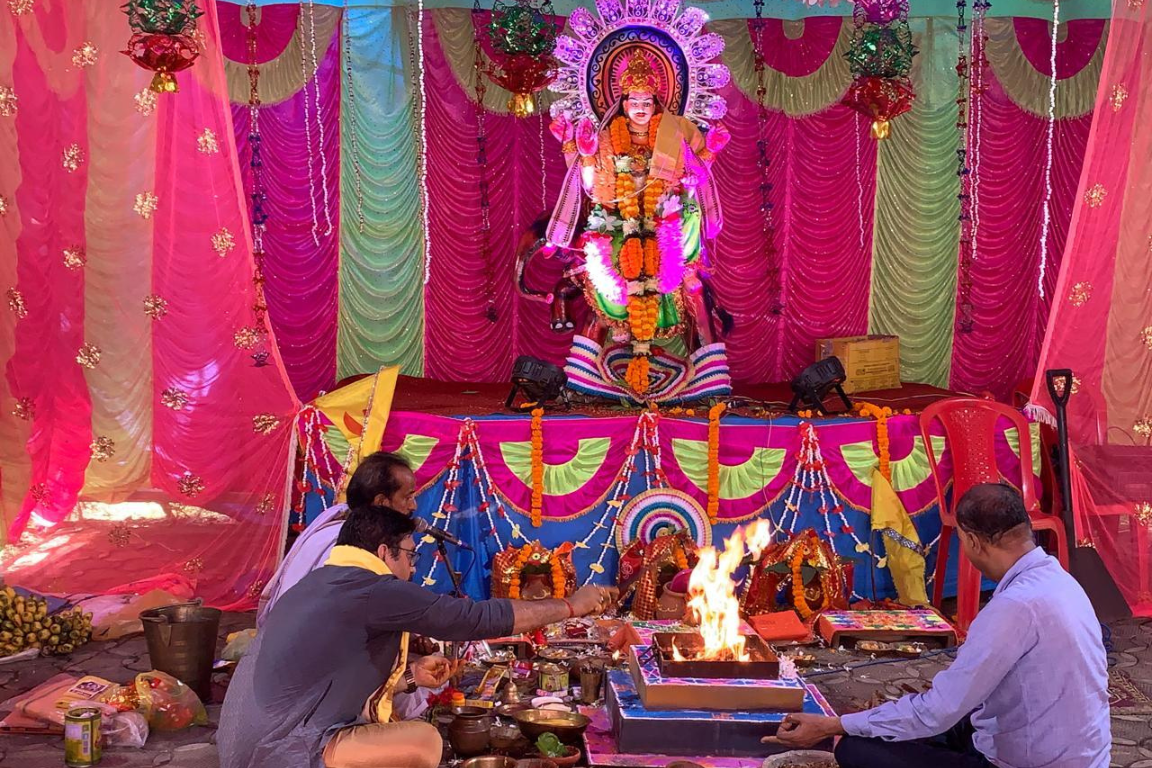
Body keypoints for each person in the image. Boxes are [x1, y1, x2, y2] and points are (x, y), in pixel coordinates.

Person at [219, 505, 617, 768]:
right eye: (411, 555)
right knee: (423, 741)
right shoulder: (372, 588)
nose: (413, 568)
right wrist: (571, 605)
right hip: (282, 751)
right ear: (384, 552)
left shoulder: (319, 582)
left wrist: (410, 677)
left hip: (250, 745)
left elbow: (323, 678)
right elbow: (472, 618)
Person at [764, 482, 1110, 768]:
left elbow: (937, 711)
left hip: (1028, 761)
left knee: (855, 750)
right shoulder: (1060, 579)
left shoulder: (1012, 607)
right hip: (1080, 753)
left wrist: (833, 725)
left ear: (973, 542)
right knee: (924, 721)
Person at [258, 451, 417, 626]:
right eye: (407, 497)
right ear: (381, 502)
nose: (413, 506)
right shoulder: (349, 542)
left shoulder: (342, 522)